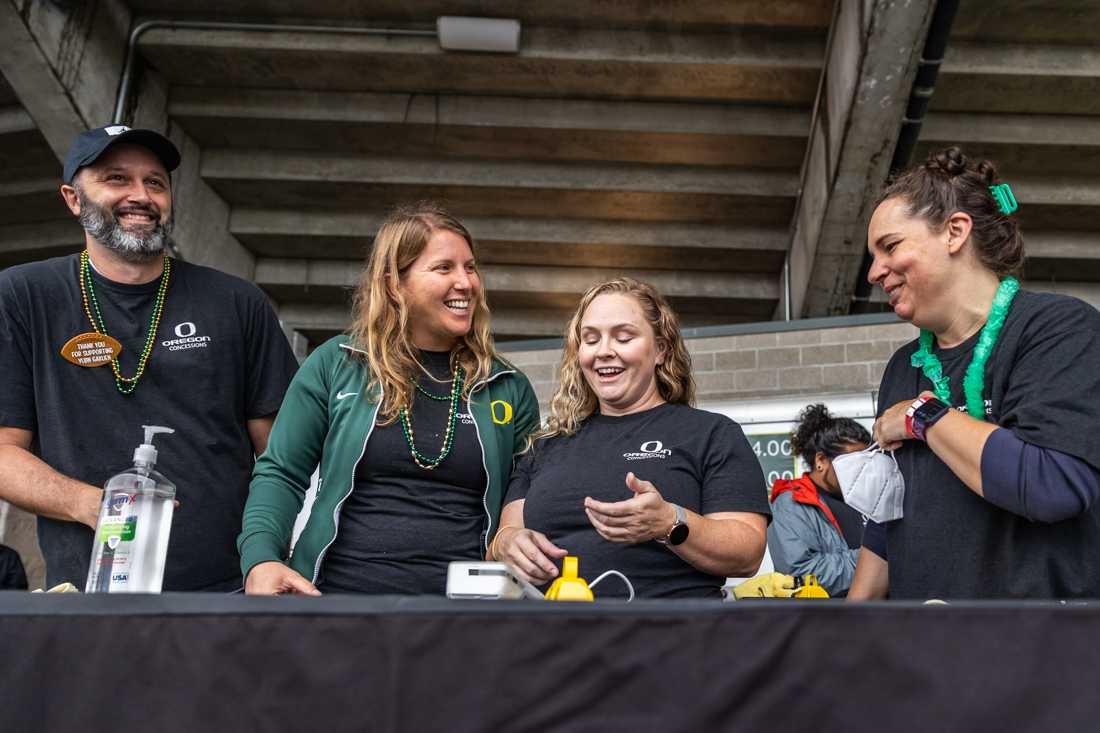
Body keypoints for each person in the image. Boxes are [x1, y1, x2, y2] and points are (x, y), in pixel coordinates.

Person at [0, 125, 298, 591]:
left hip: (227, 591)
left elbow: (283, 456)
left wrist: (268, 555)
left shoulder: (236, 303)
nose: (141, 195)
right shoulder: (23, 297)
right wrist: (92, 505)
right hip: (87, 592)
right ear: (73, 198)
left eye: (155, 182)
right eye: (117, 179)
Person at [240, 203, 540, 595]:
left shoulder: (506, 385)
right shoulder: (337, 363)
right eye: (444, 268)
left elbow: (527, 495)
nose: (466, 282)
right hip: (336, 598)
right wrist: (261, 559)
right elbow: (281, 472)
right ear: (394, 284)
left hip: (466, 613)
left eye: (470, 267)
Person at [865, 146, 1100, 599]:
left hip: (1037, 646)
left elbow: (1053, 486)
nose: (875, 271)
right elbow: (887, 520)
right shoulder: (903, 366)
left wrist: (923, 417)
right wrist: (847, 633)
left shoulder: (1059, 329)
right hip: (926, 646)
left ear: (955, 232)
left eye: (890, 246)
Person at [491, 278, 769, 599]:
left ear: (661, 350)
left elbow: (748, 551)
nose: (604, 351)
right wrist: (506, 544)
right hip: (554, 636)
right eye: (590, 339)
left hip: (669, 635)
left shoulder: (712, 434)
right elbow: (504, 536)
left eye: (623, 337)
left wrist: (669, 522)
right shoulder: (546, 446)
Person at [767, 404, 870, 597]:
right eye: (854, 462)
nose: (863, 470)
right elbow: (799, 574)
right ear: (821, 461)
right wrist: (876, 559)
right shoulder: (791, 504)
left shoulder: (868, 498)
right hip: (827, 620)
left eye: (867, 461)